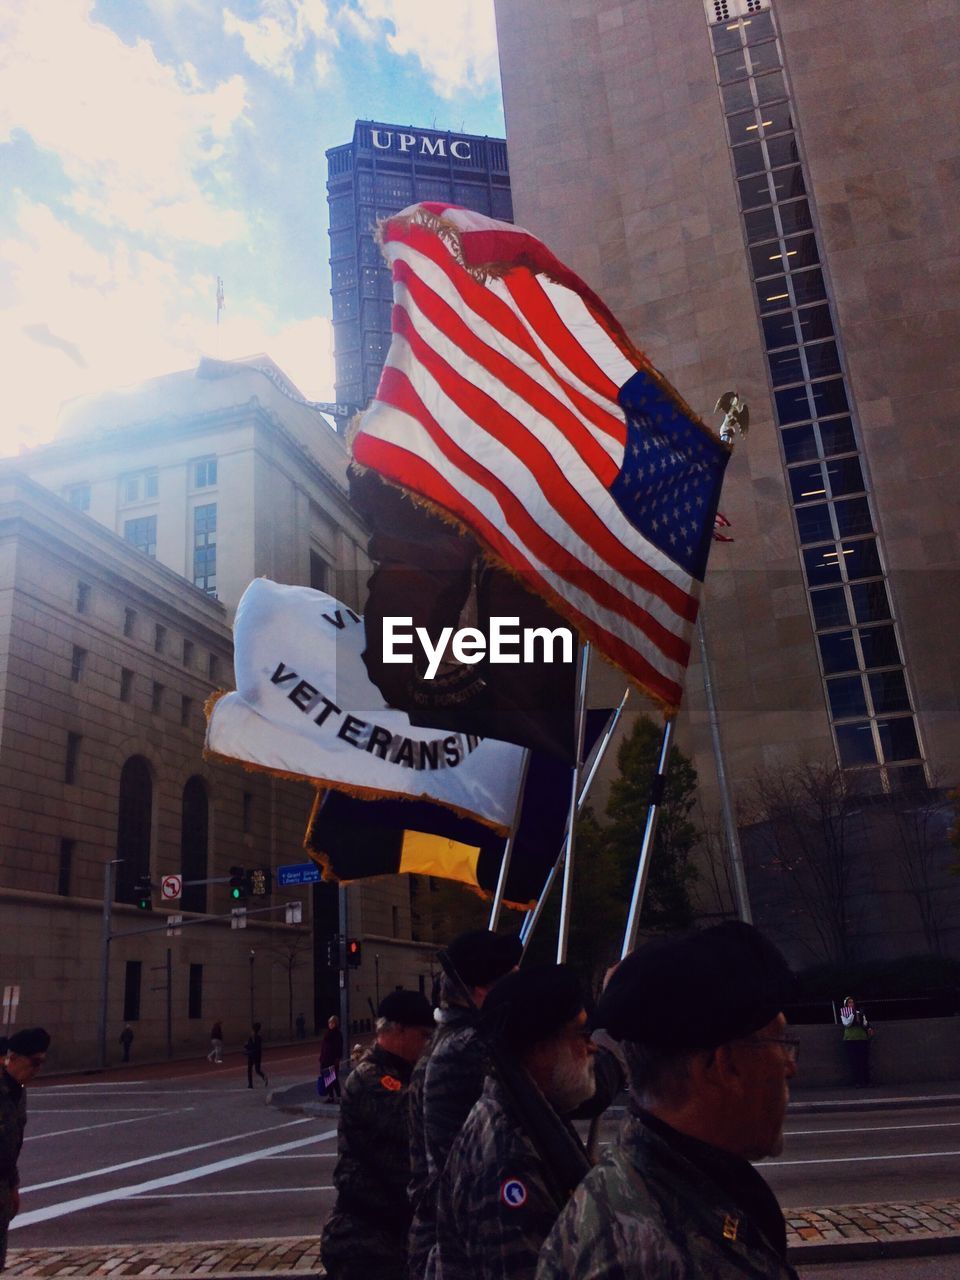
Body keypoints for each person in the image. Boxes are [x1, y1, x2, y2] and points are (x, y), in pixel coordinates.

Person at [536, 922, 800, 1280]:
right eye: (780, 1043)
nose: (791, 1066)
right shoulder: (646, 1257)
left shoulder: (666, 1192)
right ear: (724, 1065)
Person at [428, 965, 597, 1280]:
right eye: (580, 1033)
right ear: (540, 1048)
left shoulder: (530, 1112)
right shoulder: (507, 1155)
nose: (592, 1047)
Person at [407, 928, 522, 1277]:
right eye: (512, 979)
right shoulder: (467, 1049)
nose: (520, 989)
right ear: (480, 991)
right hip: (460, 1250)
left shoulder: (454, 1041)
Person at [321, 990, 434, 1280]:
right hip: (364, 1238)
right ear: (398, 1030)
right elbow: (416, 1118)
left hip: (393, 1234)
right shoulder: (370, 1077)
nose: (428, 1045)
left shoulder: (403, 1072)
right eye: (423, 1036)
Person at [1, 1027, 50, 1270]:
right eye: (34, 1062)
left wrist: (13, 1186)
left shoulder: (18, 1092)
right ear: (15, 1059)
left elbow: (11, 1146)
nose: (37, 1070)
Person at [840, 995, 872, 1087]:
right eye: (849, 1002)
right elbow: (847, 1023)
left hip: (861, 1038)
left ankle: (866, 1081)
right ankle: (858, 1081)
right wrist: (852, 1014)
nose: (851, 1004)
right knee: (854, 1061)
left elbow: (865, 1023)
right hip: (850, 1039)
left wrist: (868, 1027)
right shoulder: (845, 1013)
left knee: (864, 1060)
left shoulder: (859, 1012)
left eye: (852, 1002)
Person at [319, 1015, 344, 1101]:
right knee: (328, 1078)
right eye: (329, 1022)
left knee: (334, 1078)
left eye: (332, 1023)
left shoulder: (337, 1034)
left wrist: (337, 1058)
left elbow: (339, 1047)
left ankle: (338, 1095)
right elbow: (324, 1047)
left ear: (335, 1023)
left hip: (332, 1059)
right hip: (325, 1059)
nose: (330, 1024)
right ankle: (331, 1096)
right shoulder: (327, 1033)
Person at [244, 1022, 267, 1088]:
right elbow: (250, 1046)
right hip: (254, 1055)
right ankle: (250, 1084)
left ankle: (263, 1077)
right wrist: (246, 1046)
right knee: (252, 1069)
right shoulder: (253, 1037)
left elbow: (255, 1047)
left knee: (256, 1069)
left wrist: (247, 1046)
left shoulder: (257, 1038)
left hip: (255, 1055)